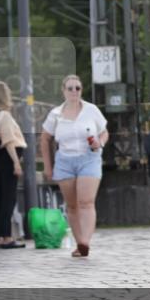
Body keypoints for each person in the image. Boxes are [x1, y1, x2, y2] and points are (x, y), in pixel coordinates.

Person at [40, 74, 108, 257]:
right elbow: (45, 138)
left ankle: (86, 241)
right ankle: (80, 244)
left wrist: (99, 143)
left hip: (89, 158)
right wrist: (48, 166)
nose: (74, 91)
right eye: (70, 88)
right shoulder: (55, 114)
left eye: (77, 88)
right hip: (65, 160)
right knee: (72, 205)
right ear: (63, 91)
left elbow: (104, 132)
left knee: (86, 202)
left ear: (81, 90)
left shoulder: (91, 110)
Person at [0, 81, 26, 249]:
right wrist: (16, 163)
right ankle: (7, 237)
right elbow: (9, 141)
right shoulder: (5, 116)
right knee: (8, 198)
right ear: (4, 96)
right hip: (7, 160)